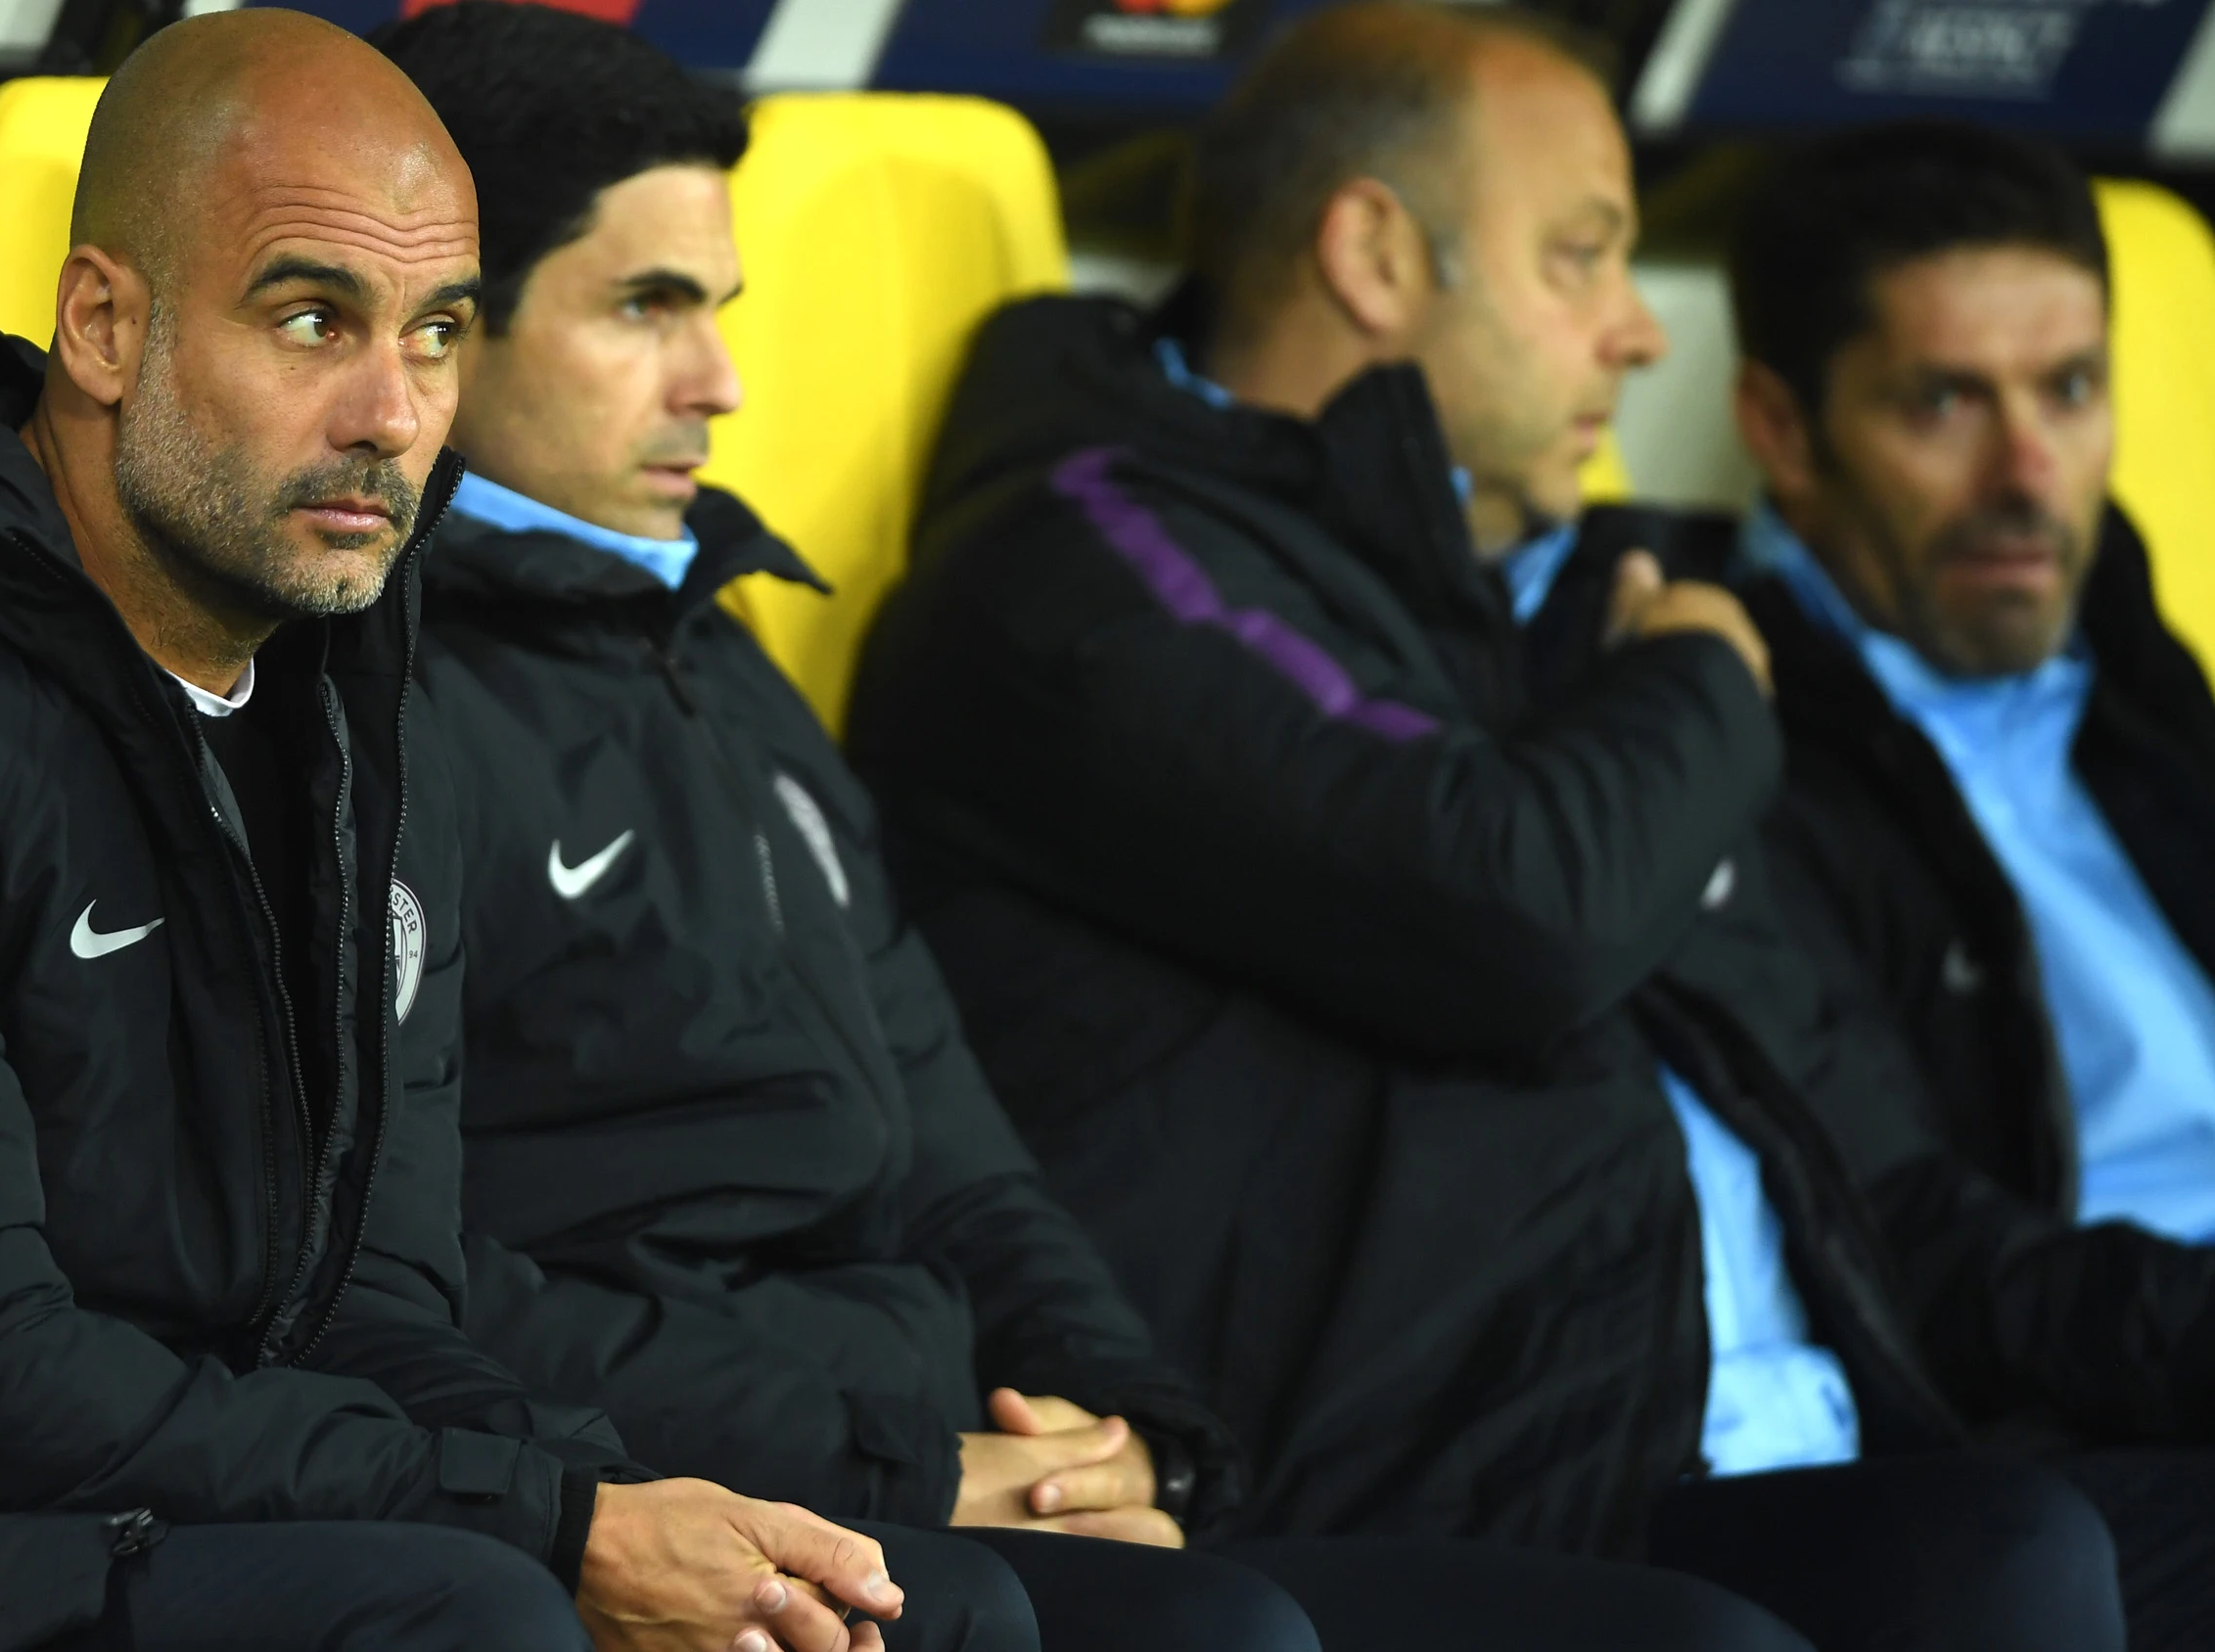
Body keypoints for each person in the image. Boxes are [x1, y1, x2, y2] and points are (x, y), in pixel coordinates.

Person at [0, 14, 981, 1652]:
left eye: (436, 334)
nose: (391, 412)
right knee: (475, 1615)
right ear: (102, 323)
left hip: (123, 1501)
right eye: (312, 319)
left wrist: (625, 1501)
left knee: (919, 1613)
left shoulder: (354, 696)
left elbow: (364, 1301)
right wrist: (551, 1521)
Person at [371, 7, 1815, 1651]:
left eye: (720, 308)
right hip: (702, 1492)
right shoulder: (363, 698)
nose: (724, 381)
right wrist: (906, 1455)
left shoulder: (726, 665)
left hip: (939, 1459)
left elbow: (963, 1162)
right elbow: (397, 1278)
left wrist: (1132, 1434)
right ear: (443, 334)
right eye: (646, 308)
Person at [846, 7, 2137, 1650]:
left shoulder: (1544, 597)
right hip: (1403, 1497)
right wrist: (1700, 682)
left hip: (1777, 1446)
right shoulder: (1083, 558)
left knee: (2016, 1542)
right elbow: (1517, 906)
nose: (1636, 333)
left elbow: (1875, 1174)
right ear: (1376, 256)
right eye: (1585, 258)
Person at [1721, 120, 2215, 1649]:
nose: (2028, 472)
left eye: (2070, 391)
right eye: (1946, 402)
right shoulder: (1726, 746)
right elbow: (1912, 1251)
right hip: (2089, 1427)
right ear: (1782, 429)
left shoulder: (2136, 678)